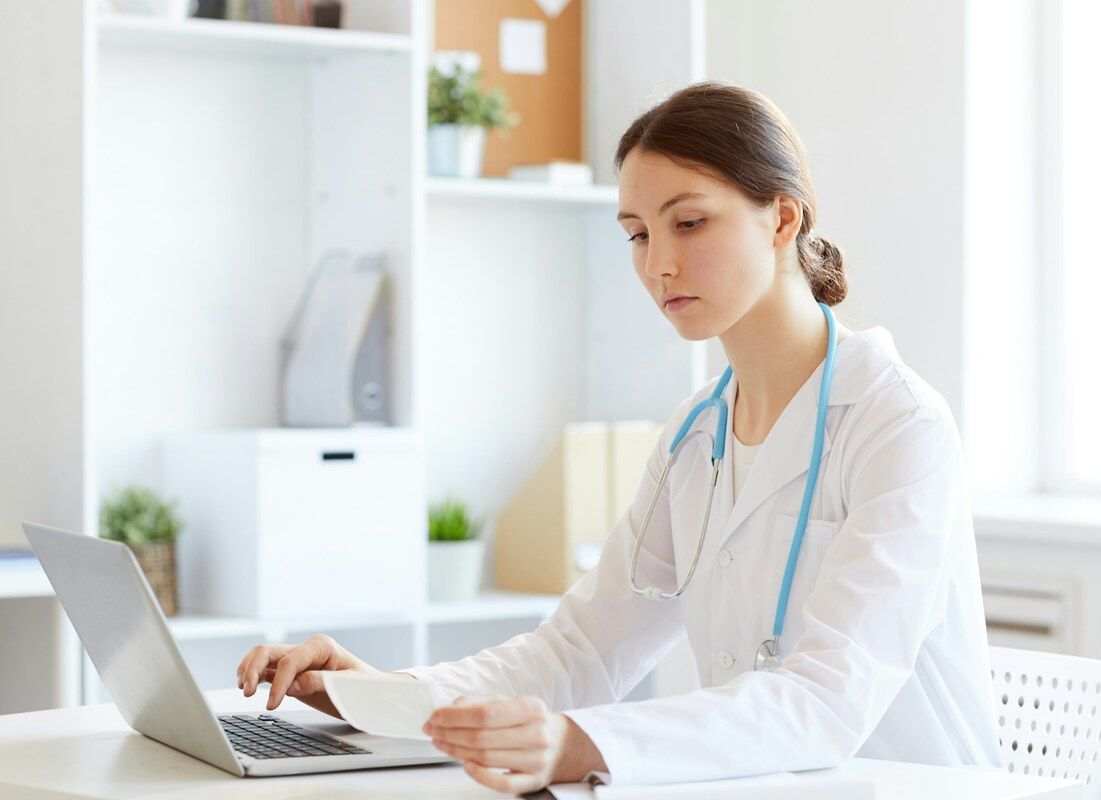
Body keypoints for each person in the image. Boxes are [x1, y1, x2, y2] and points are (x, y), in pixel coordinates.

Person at [235, 81, 1003, 794]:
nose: (659, 264)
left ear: (783, 217)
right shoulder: (697, 431)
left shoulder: (899, 425)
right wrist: (376, 695)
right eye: (637, 234)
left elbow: (827, 702)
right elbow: (583, 650)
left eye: (689, 222)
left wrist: (581, 745)